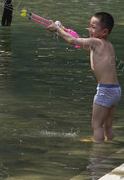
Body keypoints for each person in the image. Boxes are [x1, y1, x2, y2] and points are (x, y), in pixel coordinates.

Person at [48, 12, 119, 142]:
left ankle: (97, 151)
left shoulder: (96, 42)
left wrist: (57, 29)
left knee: (96, 125)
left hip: (105, 90)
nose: (89, 29)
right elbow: (81, 43)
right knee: (107, 125)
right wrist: (64, 31)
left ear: (104, 32)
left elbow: (73, 41)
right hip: (115, 90)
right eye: (89, 26)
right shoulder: (107, 45)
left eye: (93, 27)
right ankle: (110, 146)